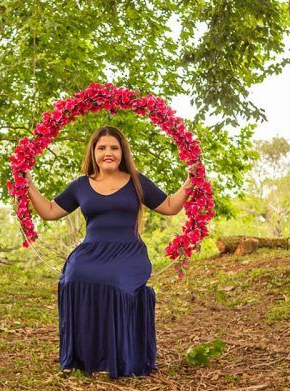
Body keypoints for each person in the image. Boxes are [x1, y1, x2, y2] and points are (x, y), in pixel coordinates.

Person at [25, 126, 193, 378]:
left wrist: (192, 180)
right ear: (93, 152)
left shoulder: (137, 180)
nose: (108, 153)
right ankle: (81, 357)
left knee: (115, 283)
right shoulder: (81, 185)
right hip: (91, 250)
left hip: (128, 252)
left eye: (114, 148)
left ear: (122, 151)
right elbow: (49, 211)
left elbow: (169, 207)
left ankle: (119, 358)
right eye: (101, 148)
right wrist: (27, 184)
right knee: (73, 279)